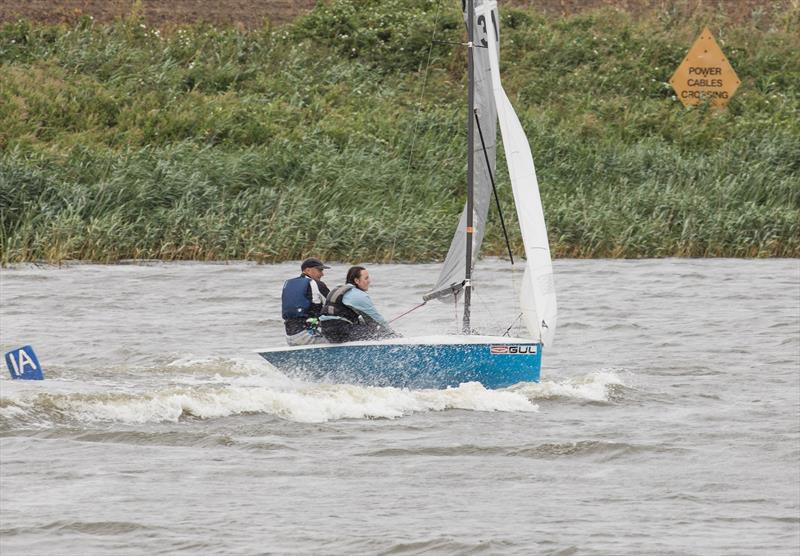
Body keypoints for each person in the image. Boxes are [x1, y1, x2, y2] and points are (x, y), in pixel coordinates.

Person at [319, 266, 398, 343]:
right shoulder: (358, 295)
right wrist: (393, 335)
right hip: (341, 331)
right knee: (378, 333)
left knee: (363, 324)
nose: (369, 281)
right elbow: (377, 319)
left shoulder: (338, 289)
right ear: (356, 280)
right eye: (366, 278)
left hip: (326, 331)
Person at [281, 257, 331, 346]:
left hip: (290, 336)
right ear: (308, 270)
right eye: (320, 270)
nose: (322, 274)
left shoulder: (289, 284)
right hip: (308, 336)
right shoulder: (316, 284)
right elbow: (333, 304)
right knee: (342, 338)